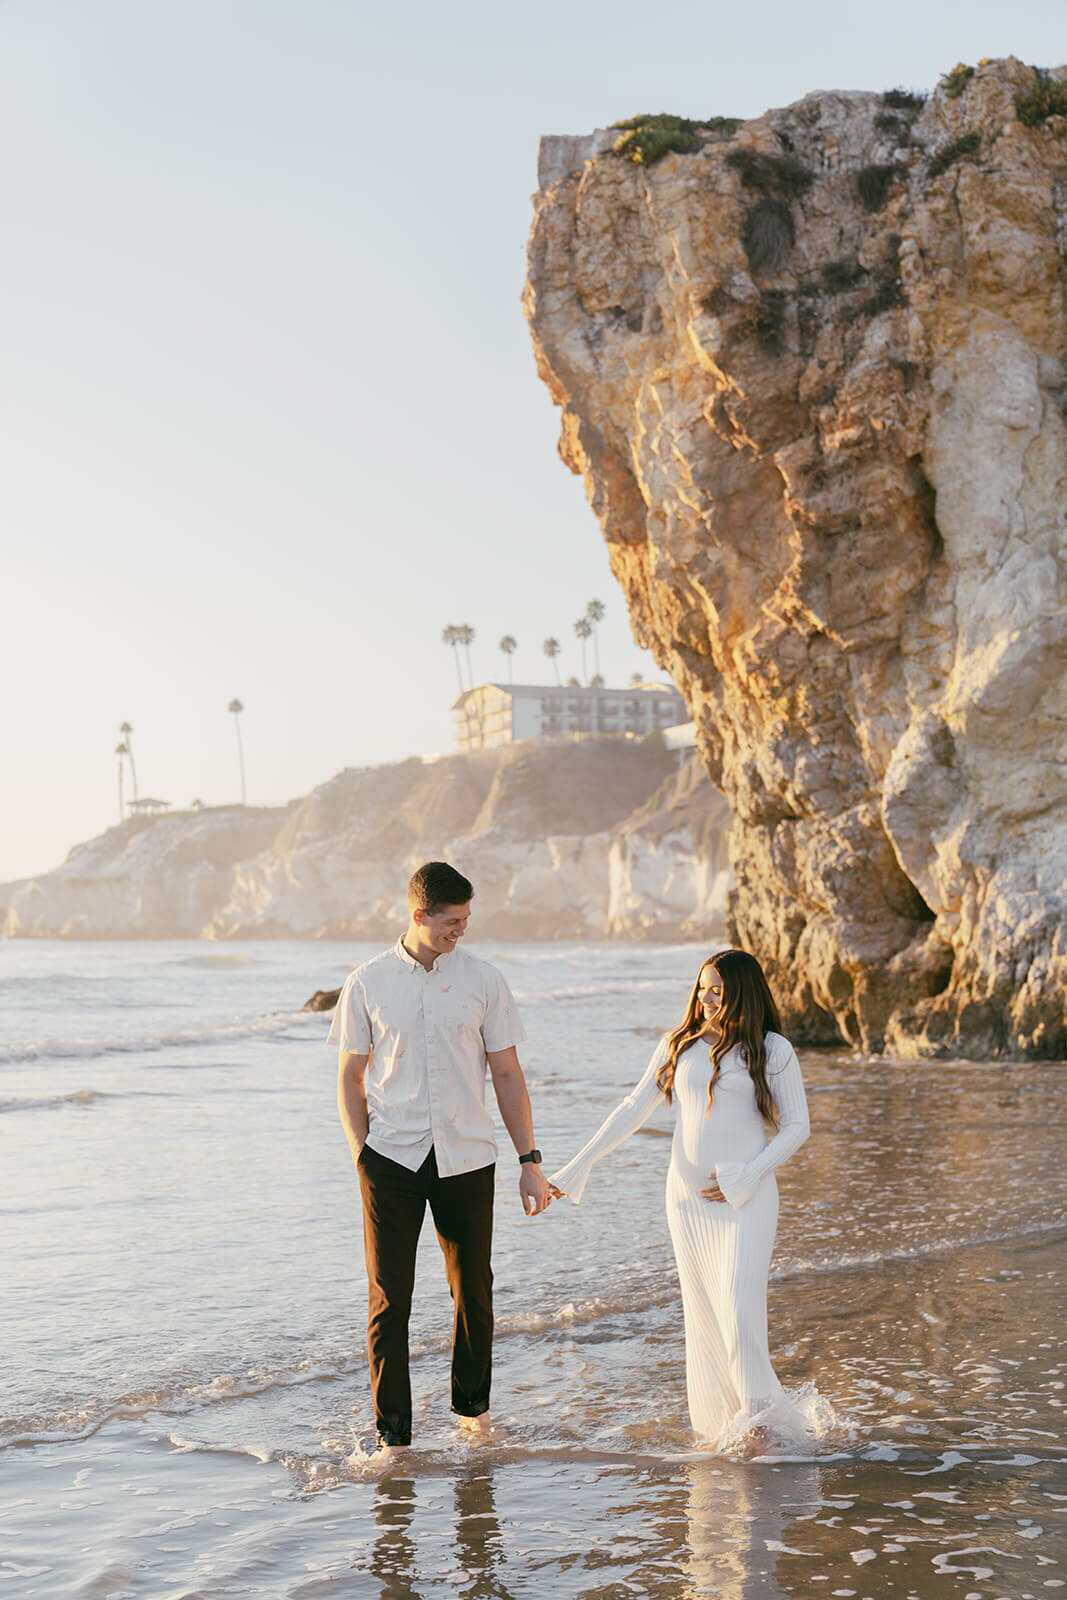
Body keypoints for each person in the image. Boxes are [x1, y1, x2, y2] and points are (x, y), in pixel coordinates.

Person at [331, 860, 552, 1455]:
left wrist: (530, 1160)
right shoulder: (368, 982)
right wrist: (362, 1155)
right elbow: (350, 1077)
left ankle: (473, 1416)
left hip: (467, 1157)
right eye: (451, 921)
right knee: (388, 1300)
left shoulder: (484, 980)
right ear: (418, 915)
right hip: (391, 1162)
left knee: (473, 1292)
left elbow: (506, 1073)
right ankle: (393, 1439)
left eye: (466, 920)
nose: (461, 931)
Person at [548, 948, 810, 1448]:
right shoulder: (679, 1043)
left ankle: (762, 1426)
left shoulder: (771, 1049)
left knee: (738, 1310)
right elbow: (633, 1108)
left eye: (719, 989)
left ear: (743, 992)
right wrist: (576, 1167)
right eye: (703, 987)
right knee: (706, 1316)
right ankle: (724, 1428)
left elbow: (798, 1127)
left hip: (746, 1202)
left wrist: (747, 1175)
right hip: (686, 1204)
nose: (708, 999)